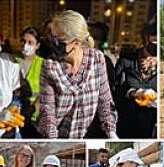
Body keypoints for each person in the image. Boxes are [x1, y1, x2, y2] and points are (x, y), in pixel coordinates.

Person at [38, 10, 118, 139]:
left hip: (87, 135)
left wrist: (111, 133)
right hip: (58, 135)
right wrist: (54, 139)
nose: (53, 43)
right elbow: (48, 111)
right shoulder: (50, 66)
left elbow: (105, 100)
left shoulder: (97, 59)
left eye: (58, 40)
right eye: (51, 38)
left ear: (76, 42)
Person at [113, 24, 158, 138]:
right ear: (146, 38)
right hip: (126, 120)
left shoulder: (161, 65)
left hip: (152, 124)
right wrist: (132, 92)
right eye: (154, 38)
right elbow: (114, 87)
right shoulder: (128, 59)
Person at [15, 26, 44, 138]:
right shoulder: (12, 62)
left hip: (34, 118)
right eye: (23, 41)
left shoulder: (44, 64)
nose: (25, 45)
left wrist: (32, 110)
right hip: (14, 115)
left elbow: (45, 92)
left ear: (37, 45)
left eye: (30, 42)